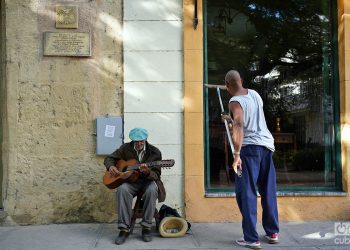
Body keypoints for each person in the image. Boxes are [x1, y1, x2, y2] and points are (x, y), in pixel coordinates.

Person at [223, 70, 279, 249]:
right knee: (268, 189)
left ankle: (251, 238)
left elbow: (240, 123)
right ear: (241, 80)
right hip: (266, 147)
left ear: (227, 85)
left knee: (246, 194)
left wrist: (237, 155)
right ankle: (272, 232)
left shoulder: (234, 101)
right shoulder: (255, 94)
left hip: (249, 150)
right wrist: (230, 120)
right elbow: (250, 120)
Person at [104, 127, 166, 245]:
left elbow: (156, 175)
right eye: (136, 141)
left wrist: (147, 172)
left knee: (152, 190)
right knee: (122, 190)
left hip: (147, 181)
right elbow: (109, 158)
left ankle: (146, 227)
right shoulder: (125, 148)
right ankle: (124, 229)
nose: (139, 144)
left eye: (141, 141)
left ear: (145, 139)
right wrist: (111, 166)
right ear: (132, 140)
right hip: (131, 181)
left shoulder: (155, 152)